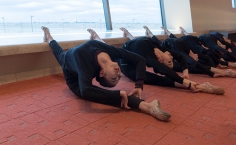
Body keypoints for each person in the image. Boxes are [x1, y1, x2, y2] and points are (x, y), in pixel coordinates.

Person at [41, 26, 171, 121]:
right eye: (118, 77)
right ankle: (148, 107)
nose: (119, 73)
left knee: (98, 47)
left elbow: (140, 60)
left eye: (115, 78)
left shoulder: (93, 58)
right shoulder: (95, 59)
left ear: (102, 73)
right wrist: (127, 89)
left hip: (83, 62)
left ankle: (148, 107)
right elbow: (140, 60)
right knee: (63, 57)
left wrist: (137, 85)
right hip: (74, 77)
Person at [120, 27, 225, 95]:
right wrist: (186, 80)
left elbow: (177, 60)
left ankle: (195, 85)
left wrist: (185, 75)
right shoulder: (155, 52)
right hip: (128, 64)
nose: (171, 57)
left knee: (159, 79)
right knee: (157, 80)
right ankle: (197, 85)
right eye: (170, 61)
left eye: (169, 61)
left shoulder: (154, 53)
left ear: (160, 59)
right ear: (160, 59)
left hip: (129, 58)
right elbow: (173, 63)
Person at [143, 26, 236, 78]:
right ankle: (228, 69)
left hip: (178, 45)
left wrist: (150, 33)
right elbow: (196, 64)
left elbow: (155, 40)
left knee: (203, 58)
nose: (170, 56)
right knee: (200, 62)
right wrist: (217, 73)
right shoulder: (179, 58)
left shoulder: (163, 47)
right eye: (170, 61)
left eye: (168, 59)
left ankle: (228, 66)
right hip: (182, 49)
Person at [160, 26, 236, 70]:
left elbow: (186, 37)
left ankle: (235, 61)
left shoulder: (197, 42)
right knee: (210, 55)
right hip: (197, 47)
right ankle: (235, 61)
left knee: (211, 55)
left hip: (196, 45)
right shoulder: (187, 43)